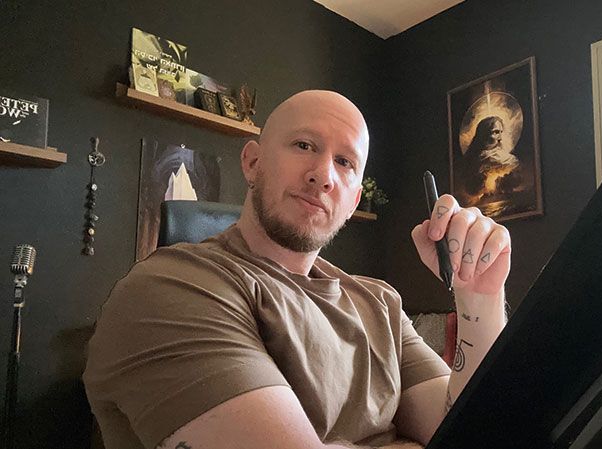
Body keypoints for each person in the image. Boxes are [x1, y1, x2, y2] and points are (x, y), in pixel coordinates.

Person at [83, 90, 511, 449]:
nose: (324, 175)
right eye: (304, 145)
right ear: (252, 162)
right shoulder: (169, 289)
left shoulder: (379, 302)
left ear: (355, 197)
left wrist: (480, 297)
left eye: (345, 163)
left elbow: (470, 430)